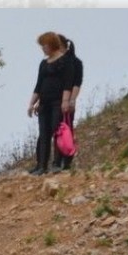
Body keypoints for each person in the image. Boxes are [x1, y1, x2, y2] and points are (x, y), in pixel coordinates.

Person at [26, 31, 71, 176]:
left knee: (57, 132)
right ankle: (41, 165)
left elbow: (67, 84)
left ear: (52, 44)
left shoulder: (65, 61)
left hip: (58, 102)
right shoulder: (43, 64)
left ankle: (57, 163)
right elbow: (38, 85)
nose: (43, 49)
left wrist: (65, 101)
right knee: (43, 134)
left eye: (44, 45)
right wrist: (32, 103)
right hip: (44, 103)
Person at [53, 35, 84, 173]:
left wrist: (72, 100)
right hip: (54, 101)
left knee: (67, 130)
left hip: (67, 102)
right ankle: (57, 162)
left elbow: (77, 83)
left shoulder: (75, 62)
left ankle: (66, 162)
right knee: (57, 131)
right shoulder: (56, 62)